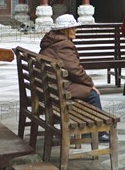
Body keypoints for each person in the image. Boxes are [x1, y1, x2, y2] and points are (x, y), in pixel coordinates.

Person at [39, 14, 110, 142]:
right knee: (93, 94)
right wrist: (90, 84)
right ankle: (98, 132)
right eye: (73, 28)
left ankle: (90, 130)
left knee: (87, 91)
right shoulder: (63, 44)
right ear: (65, 29)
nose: (75, 30)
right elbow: (75, 70)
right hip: (56, 89)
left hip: (50, 85)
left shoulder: (53, 40)